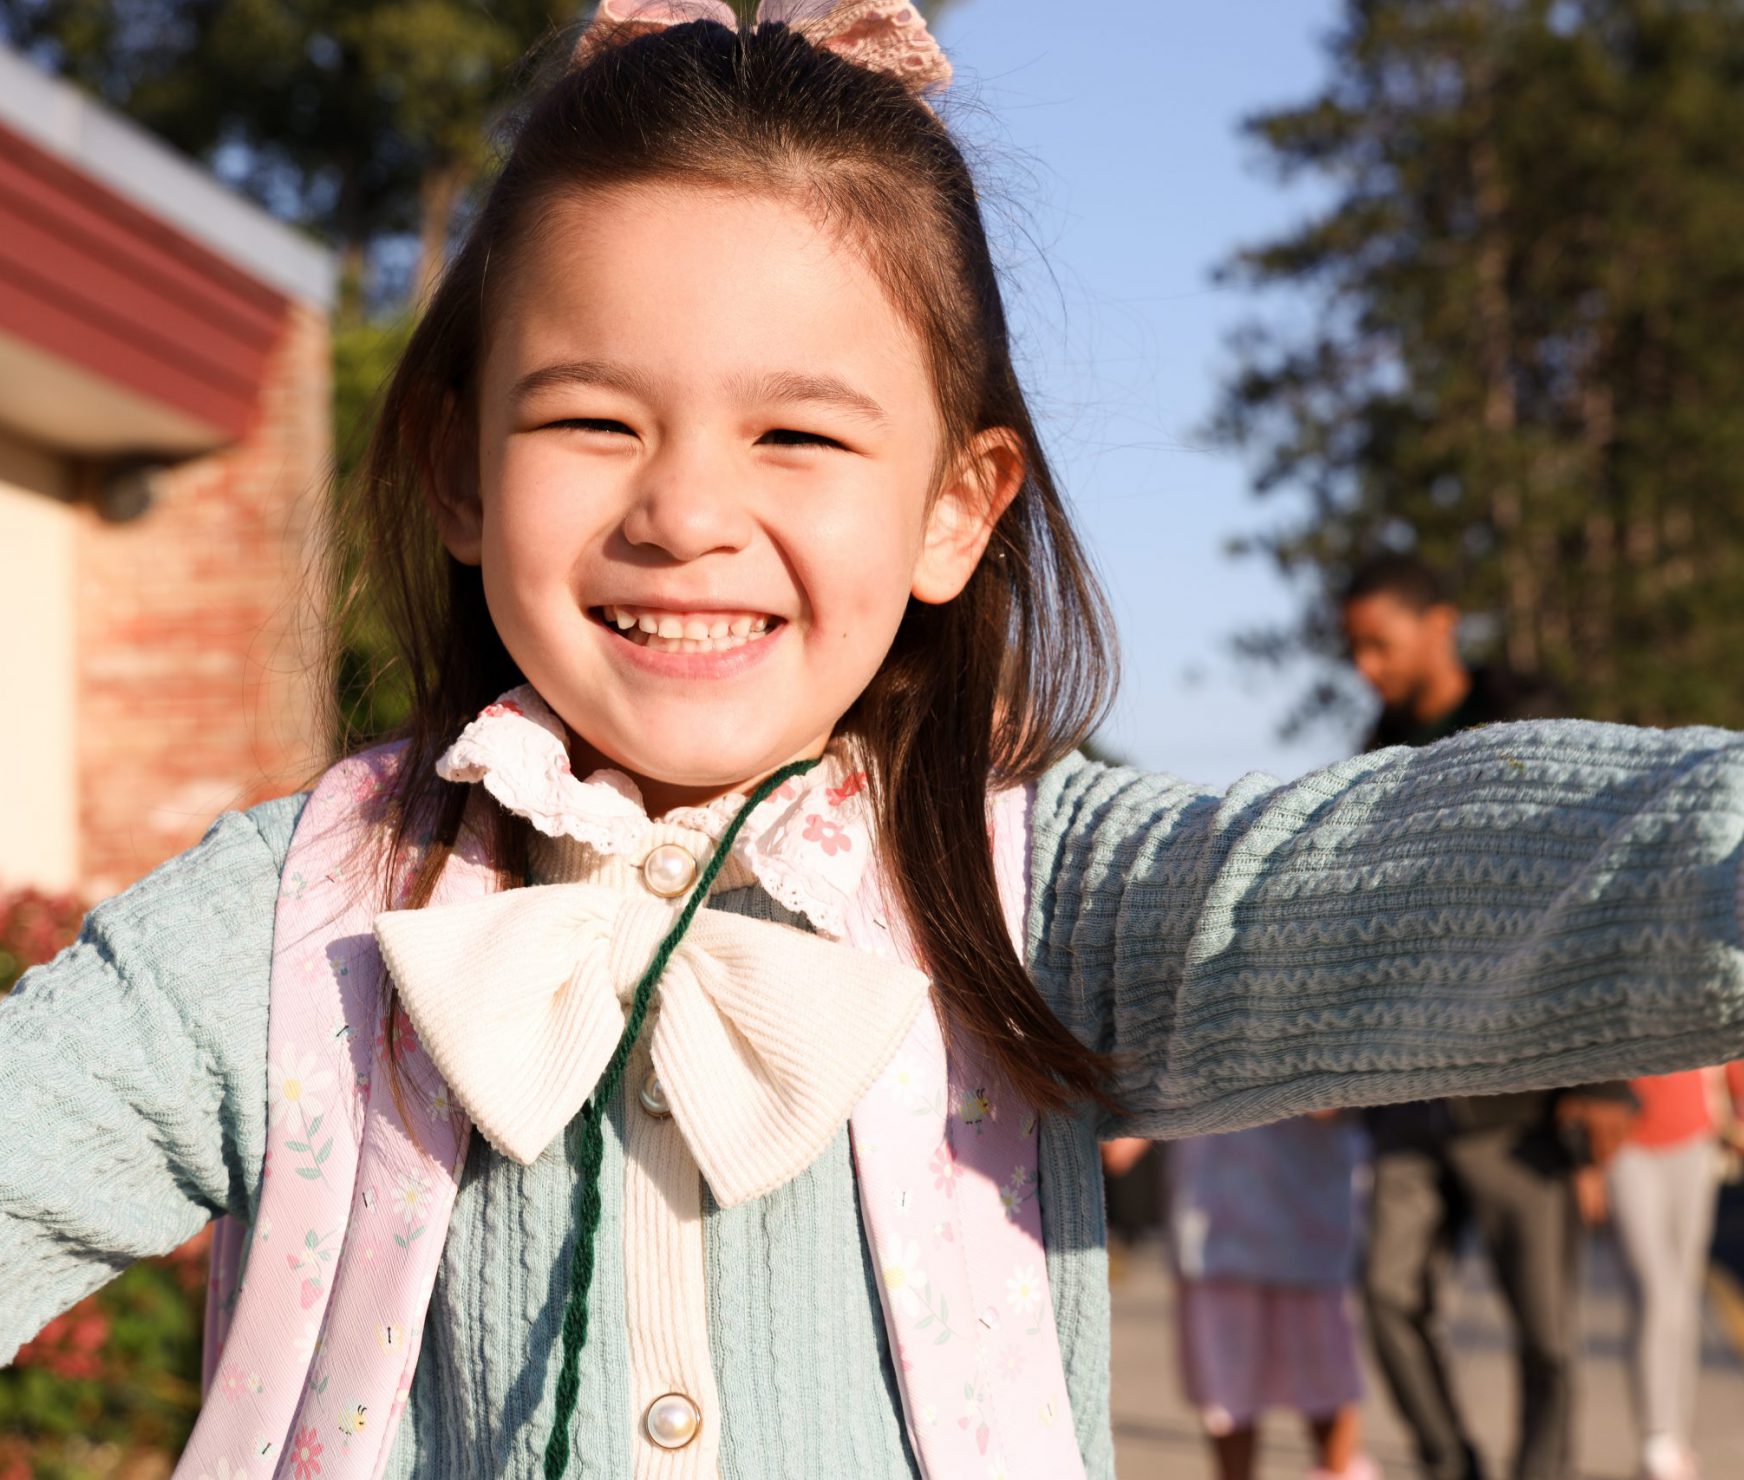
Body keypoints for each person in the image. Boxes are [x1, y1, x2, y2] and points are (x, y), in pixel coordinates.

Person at [2, 9, 1744, 1478]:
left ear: (952, 509)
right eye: (591, 417)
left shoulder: (1040, 893)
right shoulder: (289, 924)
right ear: (460, 470)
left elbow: (1483, 879)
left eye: (798, 436)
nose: (685, 509)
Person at [1341, 554, 1640, 1480]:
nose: (1364, 667)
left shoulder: (1532, 723)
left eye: (1377, 644)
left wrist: (1599, 1075)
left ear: (1442, 625)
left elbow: (1593, 889)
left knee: (1547, 1335)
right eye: (1352, 649)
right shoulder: (1374, 751)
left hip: (1521, 1097)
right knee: (1387, 1295)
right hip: (1409, 1090)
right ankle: (1449, 1463)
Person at [1162, 1116, 1378, 1480]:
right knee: (1227, 1395)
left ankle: (1340, 1470)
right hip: (1214, 1220)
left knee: (1327, 1387)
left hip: (1306, 1216)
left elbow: (1346, 1101)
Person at [1603, 1065, 1744, 1480]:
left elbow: (1727, 1035)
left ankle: (1676, 1436)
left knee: (1682, 1298)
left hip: (1695, 1137)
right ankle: (1657, 1437)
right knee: (1657, 1293)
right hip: (1624, 1142)